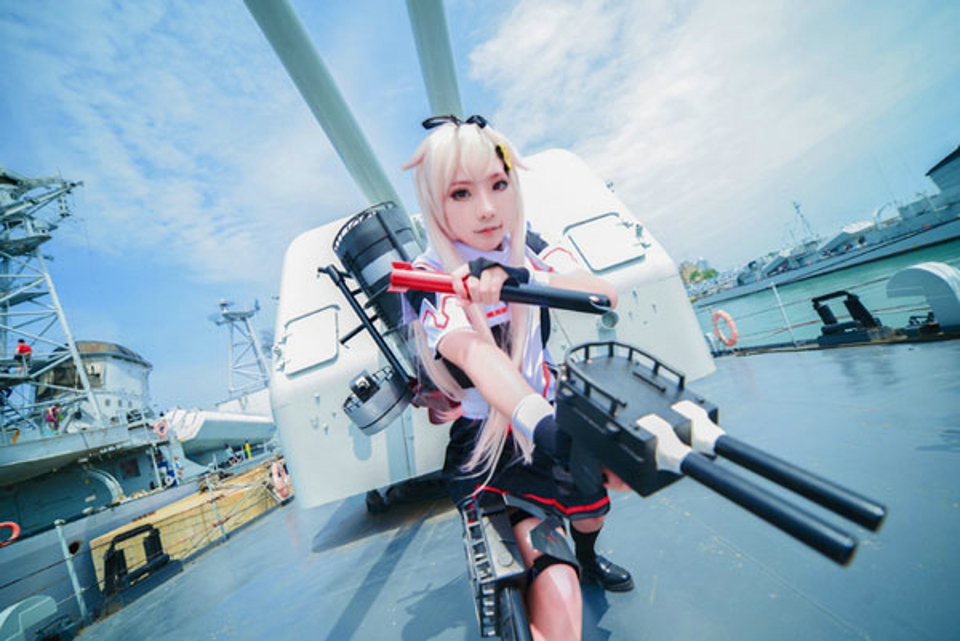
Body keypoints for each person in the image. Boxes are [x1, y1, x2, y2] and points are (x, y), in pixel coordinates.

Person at [402, 115, 632, 641]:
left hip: (550, 419)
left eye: (499, 184)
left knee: (592, 513)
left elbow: (602, 293)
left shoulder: (526, 244)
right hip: (492, 442)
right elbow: (476, 355)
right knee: (551, 569)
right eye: (461, 193)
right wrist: (541, 424)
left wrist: (520, 277)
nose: (487, 208)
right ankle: (561, 565)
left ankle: (589, 557)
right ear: (435, 203)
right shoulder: (428, 276)